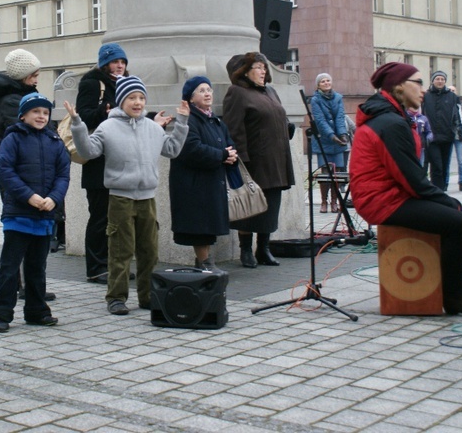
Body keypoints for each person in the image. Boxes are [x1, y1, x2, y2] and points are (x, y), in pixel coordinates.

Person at [350, 61, 462, 316]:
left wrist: (442, 200)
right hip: (382, 201)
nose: (423, 89)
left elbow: (410, 177)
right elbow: (412, 178)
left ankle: (451, 289)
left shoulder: (391, 117)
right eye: (418, 82)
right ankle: (456, 296)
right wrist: (448, 201)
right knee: (460, 223)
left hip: (390, 195)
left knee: (452, 215)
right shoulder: (389, 123)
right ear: (398, 87)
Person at [64, 75, 189, 315]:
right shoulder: (107, 127)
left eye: (141, 97)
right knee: (120, 250)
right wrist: (77, 123)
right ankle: (116, 297)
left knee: (149, 252)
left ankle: (148, 296)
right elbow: (87, 151)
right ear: (121, 100)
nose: (138, 102)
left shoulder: (153, 128)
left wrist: (182, 121)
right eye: (132, 97)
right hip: (120, 198)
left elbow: (172, 150)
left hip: (147, 198)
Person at [75, 43, 170, 284]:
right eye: (115, 61)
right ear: (104, 63)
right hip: (99, 158)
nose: (120, 65)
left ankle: (115, 266)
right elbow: (84, 116)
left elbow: (131, 117)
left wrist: (151, 119)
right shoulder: (91, 82)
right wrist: (104, 113)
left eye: (123, 61)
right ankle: (96, 267)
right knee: (99, 217)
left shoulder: (127, 83)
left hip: (122, 161)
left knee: (118, 223)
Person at [0, 93, 70, 332]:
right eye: (36, 112)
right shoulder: (13, 138)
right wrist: (29, 196)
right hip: (18, 214)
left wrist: (53, 199)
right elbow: (5, 170)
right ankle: (2, 313)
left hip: (44, 215)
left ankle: (37, 311)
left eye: (45, 112)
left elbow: (63, 175)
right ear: (23, 115)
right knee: (10, 267)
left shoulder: (55, 141)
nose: (41, 116)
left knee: (38, 267)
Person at [222, 52, 295, 268]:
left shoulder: (270, 91)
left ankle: (263, 248)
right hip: (253, 160)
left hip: (276, 159)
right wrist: (240, 161)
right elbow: (233, 128)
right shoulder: (237, 92)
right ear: (244, 71)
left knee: (270, 205)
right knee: (250, 207)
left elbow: (277, 117)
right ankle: (246, 250)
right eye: (258, 67)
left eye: (264, 67)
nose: (263, 71)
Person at [169, 76, 237, 272]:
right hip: (193, 184)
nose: (208, 93)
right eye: (201, 90)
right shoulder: (189, 119)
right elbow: (191, 148)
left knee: (208, 225)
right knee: (199, 226)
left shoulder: (214, 120)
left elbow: (228, 142)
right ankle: (206, 263)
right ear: (190, 98)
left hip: (211, 181)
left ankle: (203, 264)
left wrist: (231, 154)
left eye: (209, 89)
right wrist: (222, 155)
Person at [0, 48, 41, 150]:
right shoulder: (10, 102)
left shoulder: (18, 97)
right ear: (23, 75)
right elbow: (27, 136)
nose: (36, 81)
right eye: (34, 76)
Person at [311, 73, 348, 213]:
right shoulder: (315, 100)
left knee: (337, 172)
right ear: (318, 85)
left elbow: (340, 117)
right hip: (324, 140)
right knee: (326, 172)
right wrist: (332, 136)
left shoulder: (338, 98)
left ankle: (334, 201)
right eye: (322, 81)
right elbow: (320, 121)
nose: (326, 83)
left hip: (338, 140)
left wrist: (342, 134)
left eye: (328, 80)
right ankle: (324, 202)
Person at [421, 70, 458, 190]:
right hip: (432, 138)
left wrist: (454, 130)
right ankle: (437, 190)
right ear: (433, 81)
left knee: (444, 165)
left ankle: (443, 189)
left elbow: (458, 115)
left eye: (442, 79)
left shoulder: (452, 96)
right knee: (436, 165)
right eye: (438, 79)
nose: (440, 81)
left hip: (447, 136)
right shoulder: (426, 96)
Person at [446, 86, 462, 192]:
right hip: (448, 135)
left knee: (461, 161)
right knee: (446, 161)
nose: (452, 92)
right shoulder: (446, 104)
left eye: (453, 91)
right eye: (450, 91)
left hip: (460, 136)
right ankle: (445, 182)